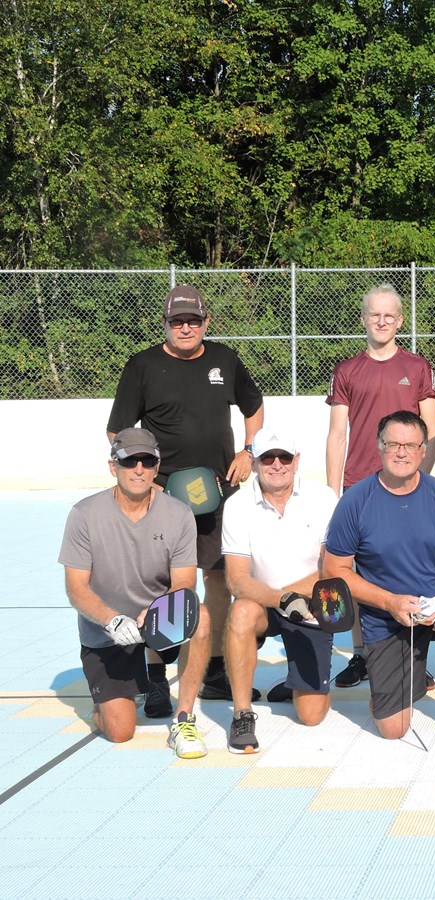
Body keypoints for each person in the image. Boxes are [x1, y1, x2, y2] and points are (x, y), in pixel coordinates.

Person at [107, 284, 263, 713]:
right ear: (166, 323)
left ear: (206, 322)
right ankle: (156, 675)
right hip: (161, 493)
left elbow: (254, 406)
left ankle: (213, 668)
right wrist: (147, 482)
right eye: (178, 321)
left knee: (216, 577)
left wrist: (248, 451)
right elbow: (118, 432)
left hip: (217, 491)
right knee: (163, 585)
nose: (186, 327)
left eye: (193, 320)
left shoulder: (225, 360)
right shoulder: (142, 365)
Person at [322, 411, 435, 748]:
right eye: (393, 444)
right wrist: (389, 602)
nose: (401, 452)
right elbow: (334, 571)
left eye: (410, 445)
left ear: (423, 451)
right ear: (379, 448)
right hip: (386, 617)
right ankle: (392, 684)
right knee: (394, 729)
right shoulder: (355, 502)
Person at [58, 428, 213, 758]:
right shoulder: (84, 515)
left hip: (155, 620)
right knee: (120, 732)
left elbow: (185, 582)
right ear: (114, 467)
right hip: (108, 629)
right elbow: (75, 588)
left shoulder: (179, 514)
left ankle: (183, 719)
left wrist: (158, 610)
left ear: (157, 467)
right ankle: (104, 704)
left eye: (147, 461)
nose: (138, 468)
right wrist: (112, 620)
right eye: (129, 461)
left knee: (202, 618)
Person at [325, 283, 435, 691]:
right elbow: (337, 434)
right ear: (363, 319)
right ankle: (363, 655)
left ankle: (413, 655)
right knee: (356, 576)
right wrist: (332, 494)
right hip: (360, 484)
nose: (381, 321)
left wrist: (415, 479)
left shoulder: (417, 366)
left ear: (400, 321)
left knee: (405, 570)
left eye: (389, 315)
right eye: (374, 314)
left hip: (404, 487)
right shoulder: (347, 370)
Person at [221, 429, 341, 753]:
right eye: (267, 458)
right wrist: (280, 599)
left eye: (284, 457)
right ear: (255, 462)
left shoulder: (324, 498)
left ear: (297, 461)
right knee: (241, 611)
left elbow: (331, 569)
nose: (277, 464)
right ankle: (242, 714)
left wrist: (289, 597)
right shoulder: (236, 505)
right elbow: (235, 580)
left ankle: (296, 684)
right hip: (263, 604)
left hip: (312, 604)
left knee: (312, 716)